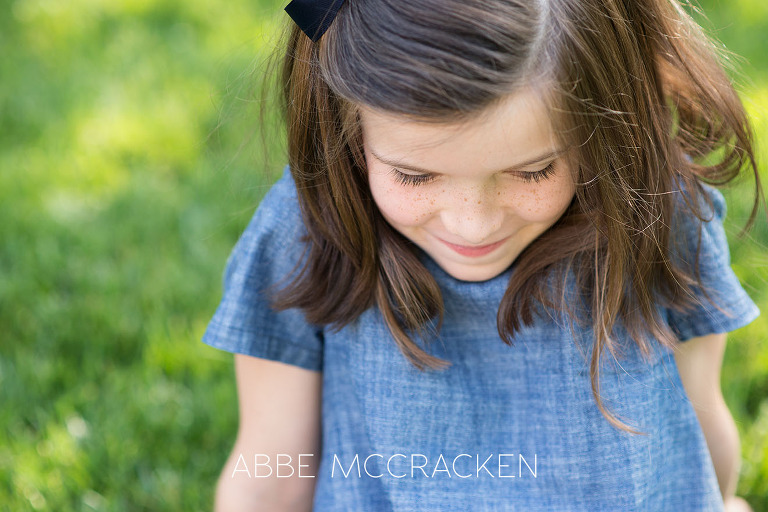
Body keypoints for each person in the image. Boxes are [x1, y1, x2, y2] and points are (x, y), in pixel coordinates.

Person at [202, 0, 765, 510]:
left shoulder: (657, 218)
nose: (473, 223)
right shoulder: (308, 231)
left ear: (601, 130)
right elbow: (271, 474)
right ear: (348, 136)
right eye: (415, 175)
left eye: (532, 170)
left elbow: (698, 420)